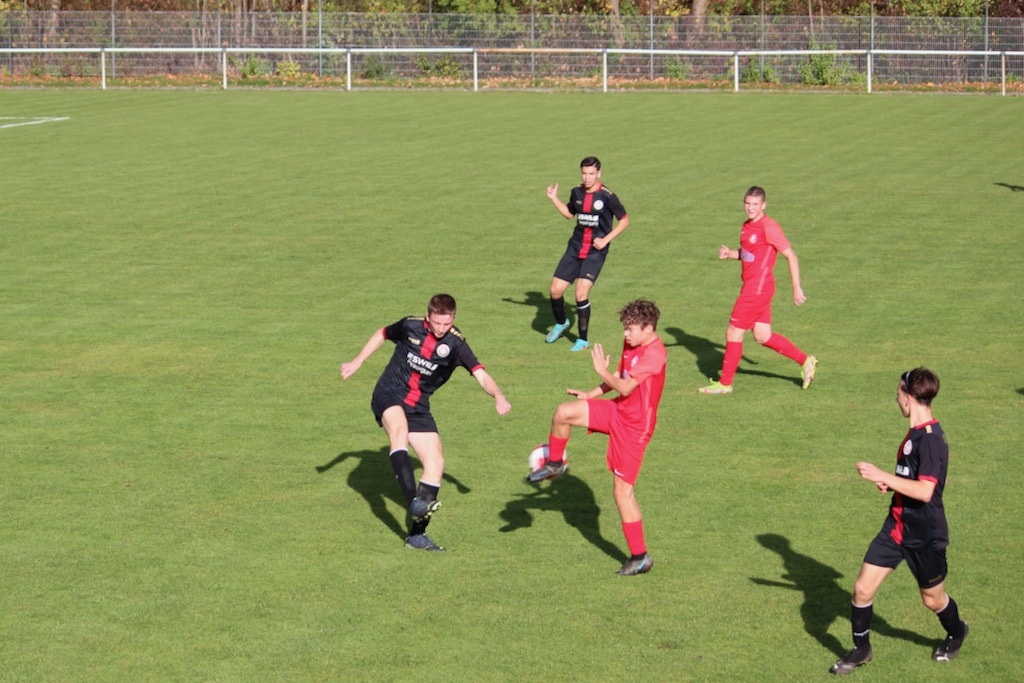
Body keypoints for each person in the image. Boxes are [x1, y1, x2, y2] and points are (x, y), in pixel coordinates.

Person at [340, 293, 511, 551]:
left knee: (436, 462)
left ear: (454, 318)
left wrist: (498, 395)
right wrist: (357, 361)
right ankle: (413, 501)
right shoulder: (410, 326)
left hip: (419, 407)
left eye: (447, 323)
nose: (441, 329)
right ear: (428, 316)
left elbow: (481, 375)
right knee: (399, 430)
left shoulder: (456, 344)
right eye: (437, 323)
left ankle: (416, 535)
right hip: (389, 392)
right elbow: (382, 333)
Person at [830, 367, 968, 675]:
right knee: (862, 588)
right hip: (895, 527)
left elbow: (926, 491)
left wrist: (881, 474)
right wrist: (891, 484)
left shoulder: (930, 440)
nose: (896, 398)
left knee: (932, 600)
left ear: (909, 398)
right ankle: (862, 649)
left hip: (925, 535)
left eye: (898, 393)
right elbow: (912, 478)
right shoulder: (915, 433)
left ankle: (957, 631)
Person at [529, 299, 666, 576]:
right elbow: (621, 374)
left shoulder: (655, 354)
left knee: (622, 493)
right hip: (617, 410)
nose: (626, 334)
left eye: (630, 329)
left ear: (648, 329)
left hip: (635, 428)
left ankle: (640, 557)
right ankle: (555, 464)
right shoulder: (633, 342)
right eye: (625, 328)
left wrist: (602, 372)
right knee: (564, 412)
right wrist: (591, 393)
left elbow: (626, 387)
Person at [699, 186, 817, 394]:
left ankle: (725, 384)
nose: (750, 208)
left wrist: (796, 288)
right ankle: (806, 361)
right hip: (755, 287)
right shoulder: (746, 226)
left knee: (734, 331)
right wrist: (730, 254)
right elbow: (749, 253)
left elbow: (791, 256)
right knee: (763, 336)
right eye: (747, 203)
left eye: (755, 204)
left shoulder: (769, 227)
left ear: (764, 205)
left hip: (757, 289)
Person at [545, 156, 629, 353]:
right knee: (555, 290)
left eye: (591, 174)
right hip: (575, 247)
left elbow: (624, 220)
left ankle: (582, 340)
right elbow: (569, 214)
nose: (587, 177)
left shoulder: (607, 196)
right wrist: (554, 198)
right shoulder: (576, 192)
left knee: (580, 293)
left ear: (599, 174)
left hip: (595, 252)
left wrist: (605, 240)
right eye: (584, 173)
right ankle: (562, 323)